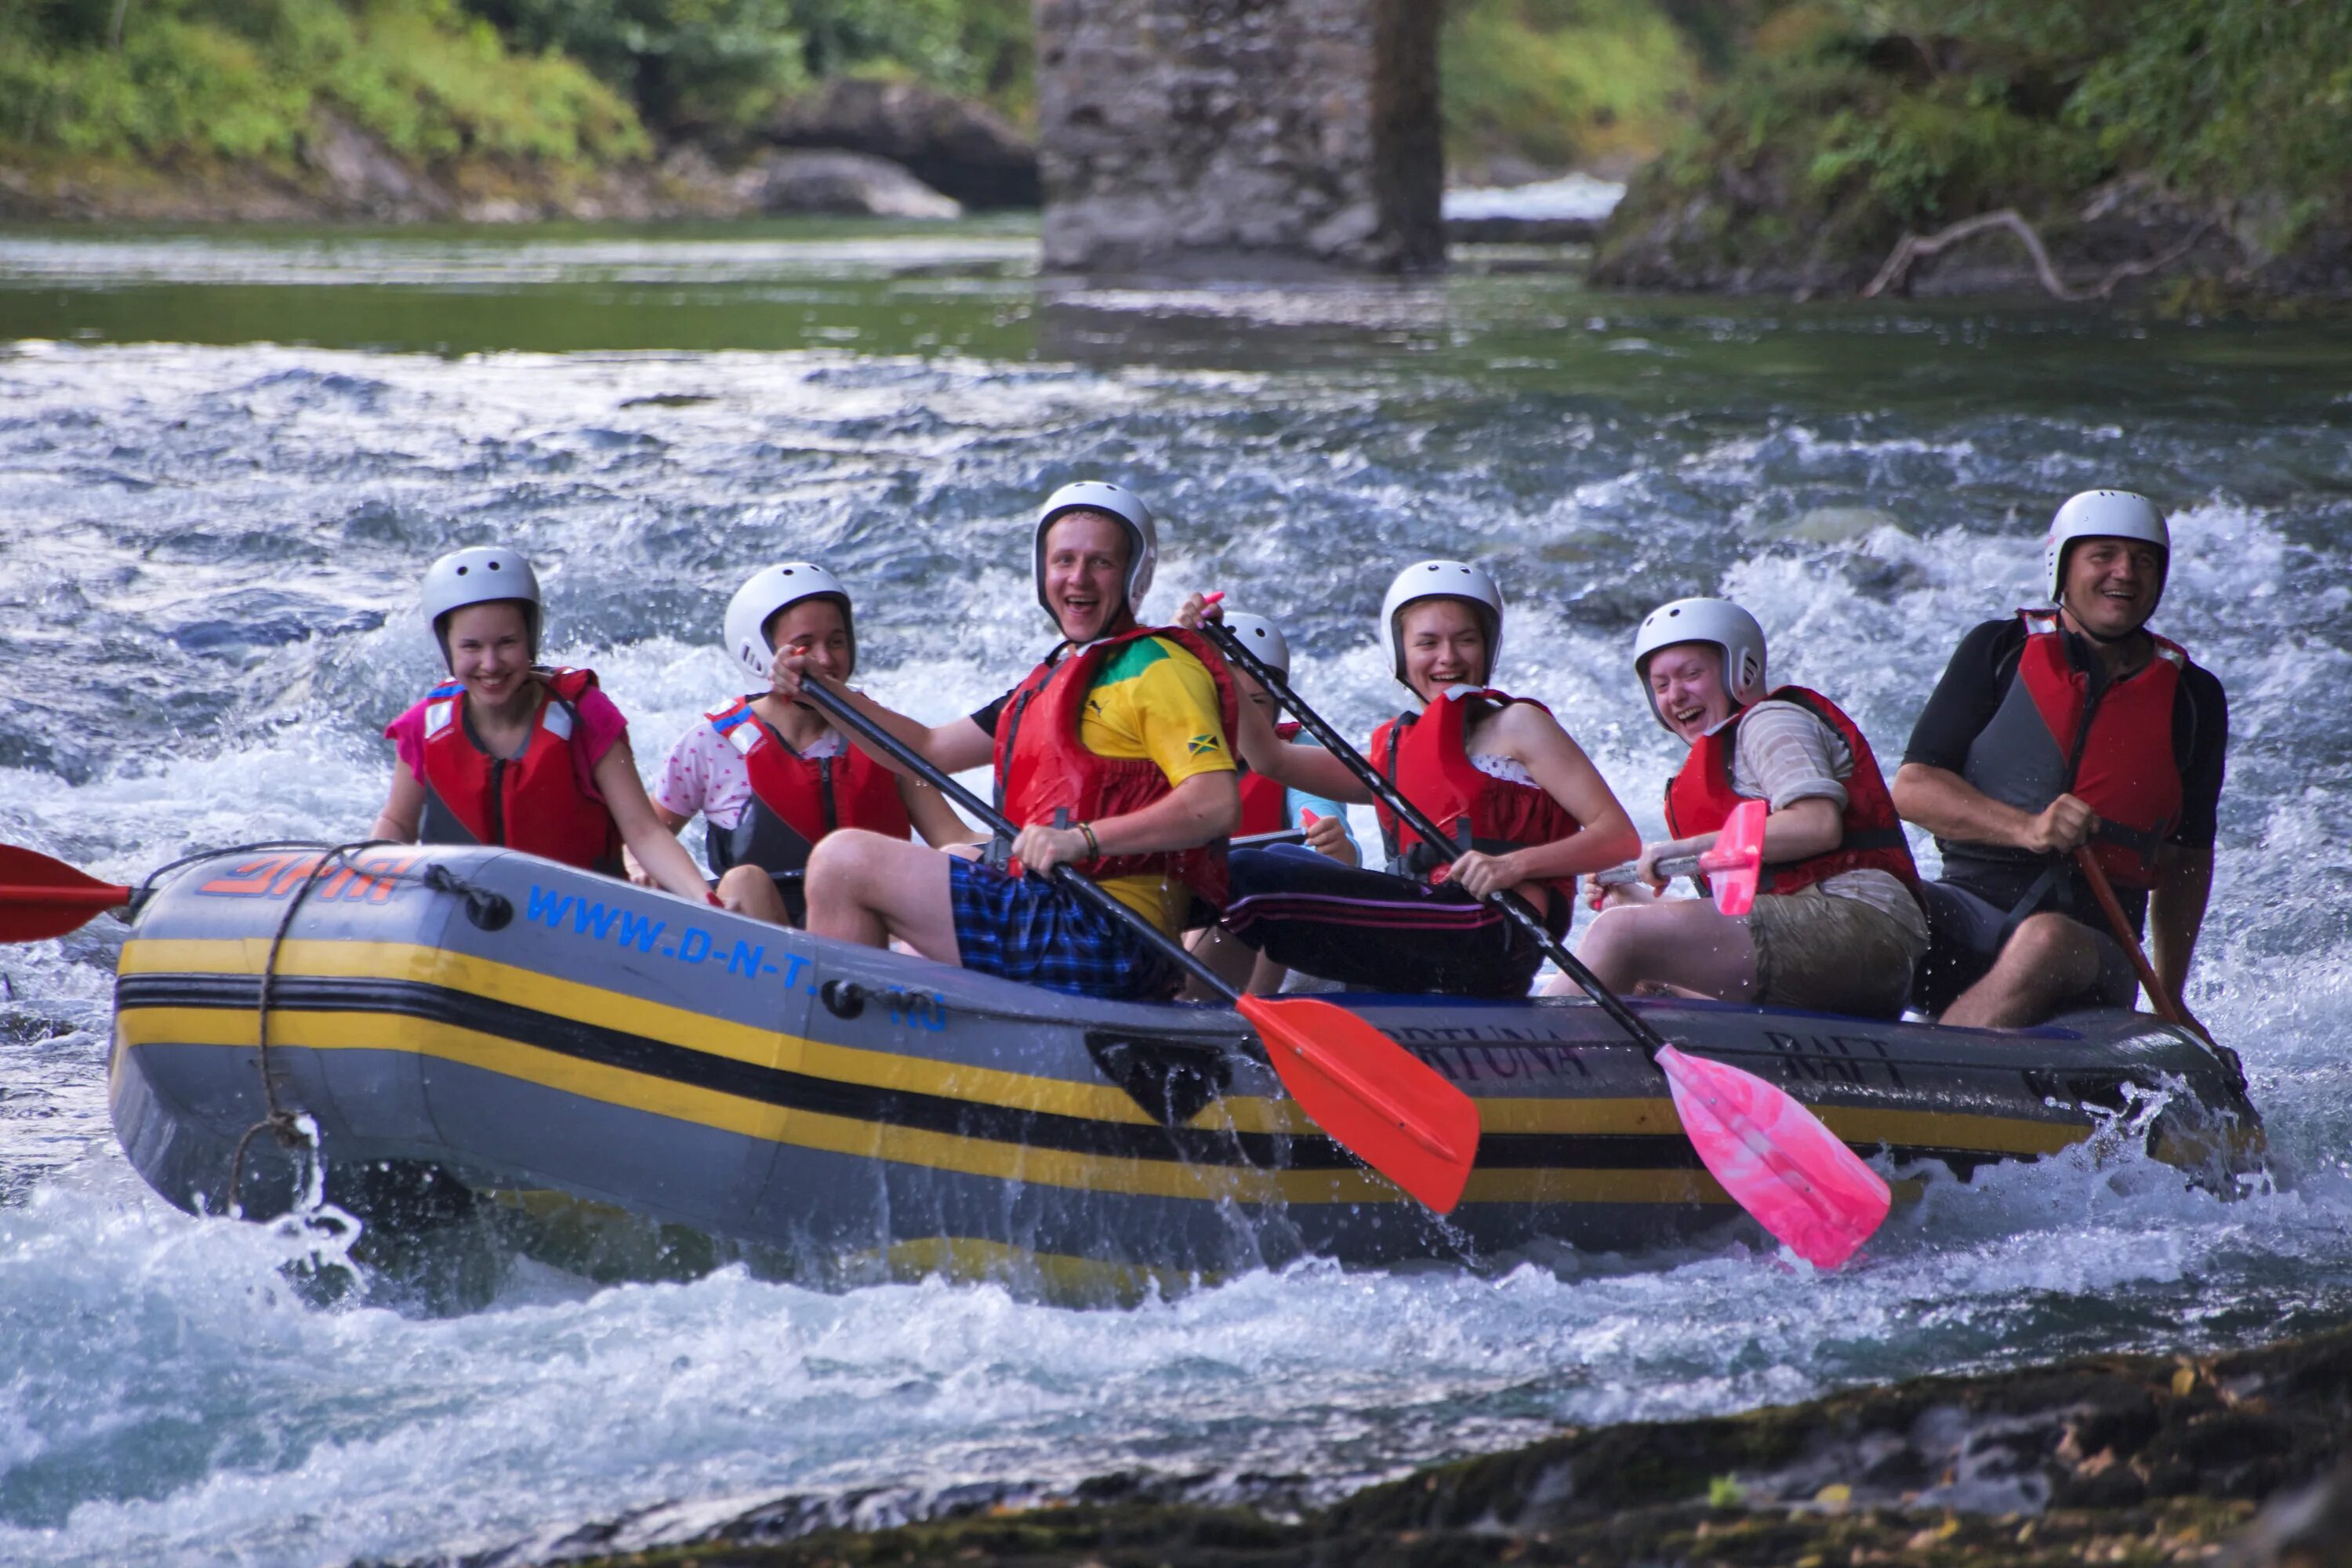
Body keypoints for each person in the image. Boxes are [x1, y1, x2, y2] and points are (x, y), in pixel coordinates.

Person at [780, 482, 1243, 1001]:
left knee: (844, 861)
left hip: (1108, 935)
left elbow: (1214, 803)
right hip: (1060, 913)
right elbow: (928, 750)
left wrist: (1081, 839)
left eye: (1101, 563)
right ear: (1042, 572)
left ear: (1134, 574)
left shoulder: (1158, 669)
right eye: (1063, 560)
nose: (1078, 578)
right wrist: (825, 694)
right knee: (954, 861)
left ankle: (841, 1045)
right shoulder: (1052, 680)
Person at [1186, 561, 1639, 997]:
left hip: (1491, 929)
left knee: (1252, 876)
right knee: (1276, 857)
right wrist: (1217, 662)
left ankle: (1174, 1017)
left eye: (1465, 640)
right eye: (1428, 643)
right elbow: (1272, 759)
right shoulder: (1398, 754)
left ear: (1488, 647)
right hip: (1428, 923)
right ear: (1400, 652)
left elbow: (1618, 838)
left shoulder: (1519, 725)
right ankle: (1197, 1016)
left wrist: (1513, 866)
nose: (1448, 658)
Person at [1893, 490, 2227, 1029]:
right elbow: (1913, 787)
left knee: (2044, 939)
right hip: (1969, 914)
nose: (2126, 573)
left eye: (2144, 560)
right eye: (2104, 555)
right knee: (1876, 898)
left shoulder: (2195, 698)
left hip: (2091, 953)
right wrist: (2028, 828)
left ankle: (1930, 1067)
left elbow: (2187, 858)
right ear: (2063, 566)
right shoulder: (1996, 650)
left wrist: (2170, 998)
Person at [1562, 598, 1927, 1018]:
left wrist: (1678, 851)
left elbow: (1817, 824)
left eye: (1692, 674)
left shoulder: (1770, 720)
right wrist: (1631, 898)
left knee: (1620, 935)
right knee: (1645, 980)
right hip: (1806, 943)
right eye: (1661, 686)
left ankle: (1530, 1052)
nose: (1676, 695)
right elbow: (1743, 920)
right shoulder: (1697, 776)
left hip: (1862, 926)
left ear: (1740, 669)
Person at [626, 564, 971, 924]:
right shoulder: (709, 745)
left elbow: (954, 839)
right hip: (767, 944)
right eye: (804, 645)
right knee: (744, 882)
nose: (823, 660)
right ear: (757, 654)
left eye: (836, 642)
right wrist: (636, 867)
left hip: (877, 939)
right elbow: (645, 836)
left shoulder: (881, 736)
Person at [370, 545, 712, 902]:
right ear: (446, 647)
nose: (490, 664)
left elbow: (644, 831)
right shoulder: (425, 725)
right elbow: (398, 824)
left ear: (530, 638)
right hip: (456, 916)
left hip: (576, 921)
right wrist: (368, 876)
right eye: (471, 647)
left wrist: (705, 899)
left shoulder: (587, 716)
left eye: (507, 643)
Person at [1181, 611, 1359, 996]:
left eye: (1255, 701)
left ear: (1276, 708)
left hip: (1277, 944)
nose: (1234, 715)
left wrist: (1337, 847)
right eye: (1220, 697)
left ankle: (1250, 1018)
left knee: (1266, 894)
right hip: (1190, 929)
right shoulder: (1164, 752)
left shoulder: (1299, 752)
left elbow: (1323, 822)